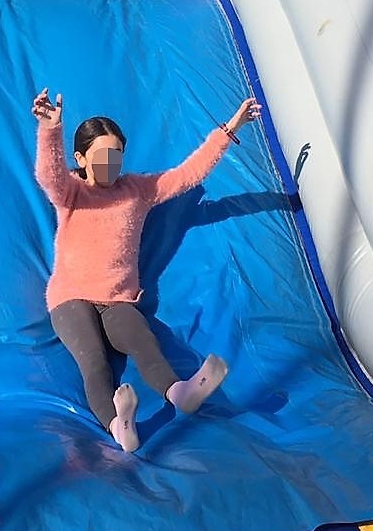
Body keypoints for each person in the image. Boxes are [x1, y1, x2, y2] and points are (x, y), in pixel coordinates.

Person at [31, 87, 258, 452]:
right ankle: (118, 426)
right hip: (70, 297)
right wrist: (50, 130)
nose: (110, 163)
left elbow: (188, 174)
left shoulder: (138, 190)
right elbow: (49, 175)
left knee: (144, 342)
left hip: (117, 299)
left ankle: (180, 392)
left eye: (117, 154)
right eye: (102, 155)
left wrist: (231, 128)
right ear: (82, 158)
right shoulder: (71, 192)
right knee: (94, 362)